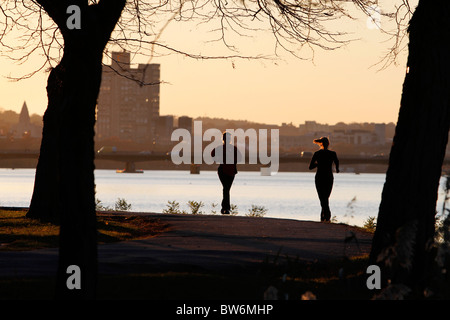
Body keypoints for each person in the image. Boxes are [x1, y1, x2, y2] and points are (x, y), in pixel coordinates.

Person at [309, 137, 340, 222]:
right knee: (326, 197)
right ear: (328, 144)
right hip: (329, 177)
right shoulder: (333, 154)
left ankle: (325, 215)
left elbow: (310, 167)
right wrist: (337, 169)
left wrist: (318, 164)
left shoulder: (317, 154)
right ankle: (326, 215)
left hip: (319, 177)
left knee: (322, 197)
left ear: (321, 143)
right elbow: (337, 163)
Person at [211, 132, 241, 214]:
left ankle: (225, 207)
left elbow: (240, 157)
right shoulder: (221, 148)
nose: (228, 140)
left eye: (229, 138)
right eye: (227, 138)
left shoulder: (233, 148)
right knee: (226, 188)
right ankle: (226, 208)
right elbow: (212, 154)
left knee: (226, 189)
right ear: (223, 139)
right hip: (223, 171)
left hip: (231, 171)